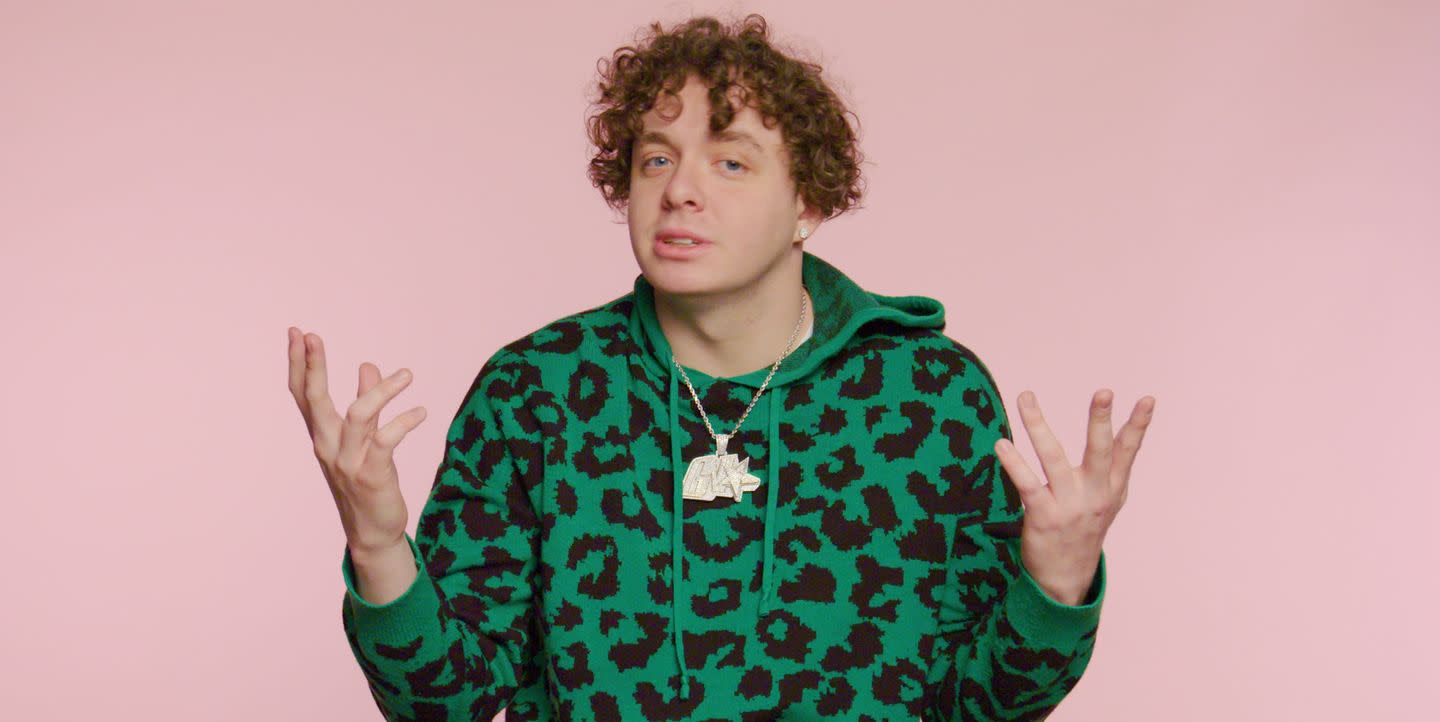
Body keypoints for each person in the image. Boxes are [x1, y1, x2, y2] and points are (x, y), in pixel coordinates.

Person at [287, 12, 1156, 721]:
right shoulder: (536, 391)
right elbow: (445, 703)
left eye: (731, 161)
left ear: (808, 201)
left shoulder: (930, 394)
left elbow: (982, 706)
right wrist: (377, 544)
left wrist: (1058, 580)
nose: (680, 190)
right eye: (656, 158)